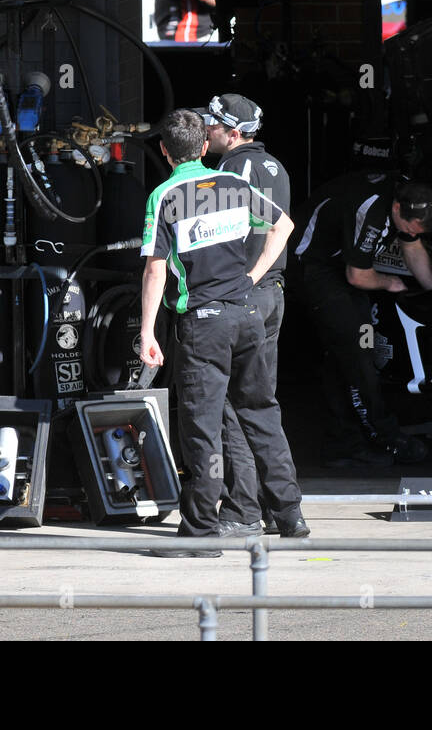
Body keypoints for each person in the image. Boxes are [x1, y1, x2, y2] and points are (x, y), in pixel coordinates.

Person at [139, 109, 308, 556]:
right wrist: (252, 276)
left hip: (202, 322)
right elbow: (284, 225)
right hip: (248, 313)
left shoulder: (165, 195)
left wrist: (146, 332)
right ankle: (290, 515)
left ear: (164, 150)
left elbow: (155, 270)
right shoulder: (234, 185)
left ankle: (200, 531)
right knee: (261, 411)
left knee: (203, 426)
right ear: (202, 147)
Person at [290, 172, 432, 468]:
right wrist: (389, 283)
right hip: (313, 269)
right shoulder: (370, 208)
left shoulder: (404, 204)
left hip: (341, 269)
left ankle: (342, 444)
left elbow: (412, 246)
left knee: (350, 350)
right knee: (358, 352)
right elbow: (357, 276)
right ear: (397, 209)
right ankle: (386, 434)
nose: (413, 232)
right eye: (411, 226)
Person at [200, 93, 289, 536]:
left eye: (212, 126)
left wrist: (245, 280)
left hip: (246, 297)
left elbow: (229, 239)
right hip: (271, 295)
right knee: (260, 403)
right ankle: (277, 506)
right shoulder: (274, 165)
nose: (206, 131)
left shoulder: (234, 170)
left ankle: (241, 510)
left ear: (233, 133)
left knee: (235, 406)